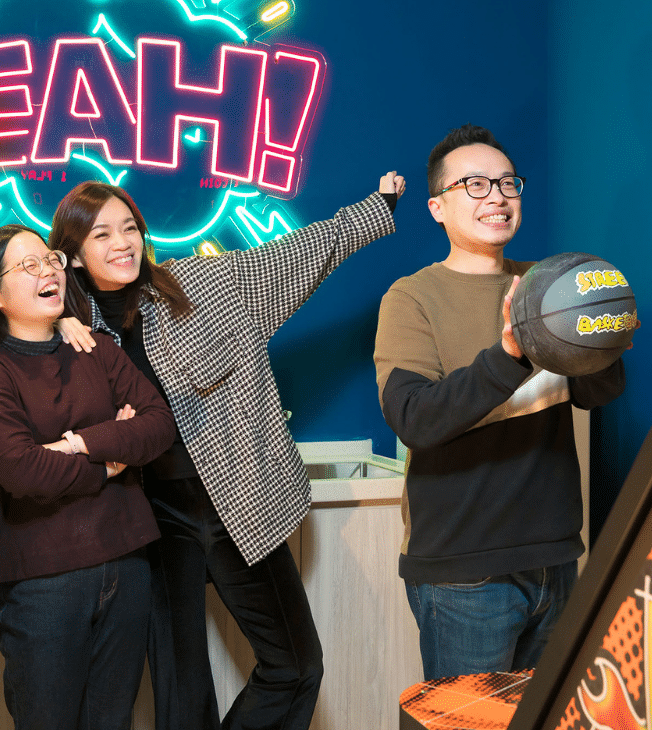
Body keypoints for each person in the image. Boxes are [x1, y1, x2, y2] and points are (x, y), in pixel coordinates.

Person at [52, 173, 404, 730]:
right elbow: (9, 320)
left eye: (129, 229)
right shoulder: (71, 336)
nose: (123, 243)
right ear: (70, 256)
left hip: (238, 501)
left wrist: (374, 205)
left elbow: (300, 252)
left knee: (296, 664)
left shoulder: (203, 283)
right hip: (149, 519)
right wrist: (61, 315)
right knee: (180, 693)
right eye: (100, 235)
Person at [373, 124, 627, 680]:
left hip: (556, 559)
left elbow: (597, 394)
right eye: (475, 184)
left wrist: (606, 334)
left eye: (507, 183)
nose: (497, 196)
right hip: (464, 574)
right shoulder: (411, 297)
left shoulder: (550, 286)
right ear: (437, 207)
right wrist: (510, 353)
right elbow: (415, 418)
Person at [0, 224, 176, 729]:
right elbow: (26, 472)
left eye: (50, 259)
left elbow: (158, 425)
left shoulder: (96, 348)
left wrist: (80, 444)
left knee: (112, 720)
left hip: (126, 562)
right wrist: (113, 461)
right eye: (27, 266)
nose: (48, 270)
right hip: (42, 580)